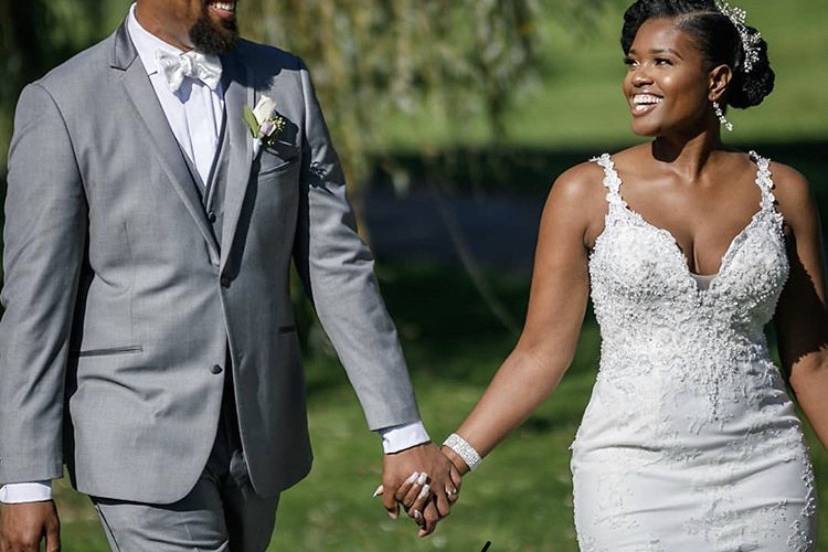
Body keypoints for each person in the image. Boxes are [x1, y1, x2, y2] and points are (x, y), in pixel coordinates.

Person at [0, 0, 458, 549]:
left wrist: (402, 430)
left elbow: (336, 262)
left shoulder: (284, 82)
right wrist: (23, 480)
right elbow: (35, 303)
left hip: (261, 433)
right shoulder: (62, 101)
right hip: (137, 440)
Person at [434, 1, 826, 550]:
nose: (637, 77)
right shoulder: (584, 192)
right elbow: (541, 351)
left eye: (661, 61)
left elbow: (812, 362)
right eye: (632, 61)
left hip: (766, 468)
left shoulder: (785, 192)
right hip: (631, 474)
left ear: (716, 80)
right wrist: (455, 455)